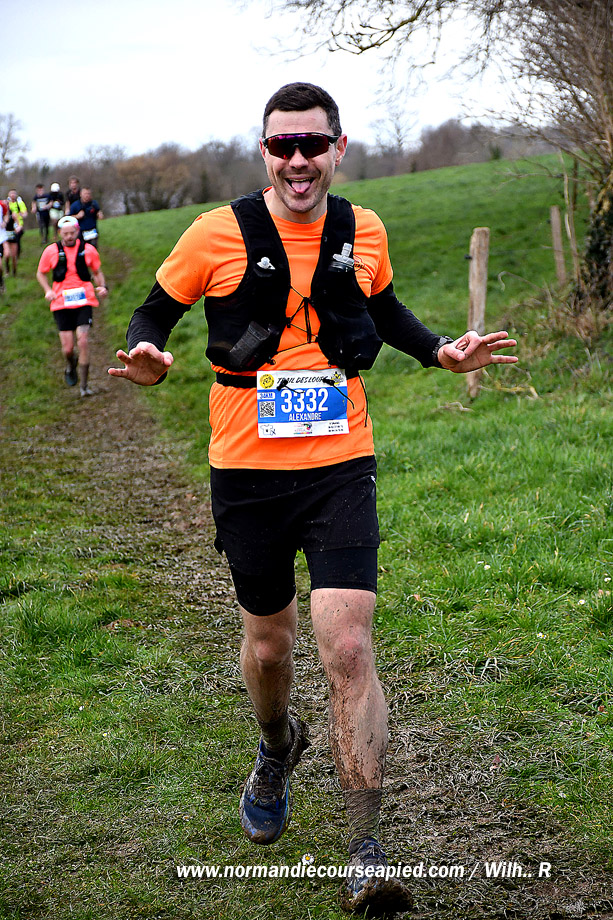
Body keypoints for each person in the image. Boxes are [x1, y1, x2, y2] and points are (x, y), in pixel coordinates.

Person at [109, 82, 517, 916]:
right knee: (270, 650)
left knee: (349, 645)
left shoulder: (363, 228)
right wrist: (147, 353)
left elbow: (383, 308)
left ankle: (365, 852)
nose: (297, 160)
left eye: (312, 144)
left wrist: (440, 350)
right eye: (281, 145)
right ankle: (275, 745)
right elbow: (153, 312)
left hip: (340, 461)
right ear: (263, 151)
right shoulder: (214, 232)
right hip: (246, 469)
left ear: (337, 147)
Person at [36, 214, 108, 396]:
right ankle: (70, 363)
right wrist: (48, 290)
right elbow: (40, 273)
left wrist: (102, 286)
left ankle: (84, 386)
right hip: (61, 303)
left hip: (84, 301)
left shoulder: (88, 250)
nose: (69, 236)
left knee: (83, 341)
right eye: (65, 233)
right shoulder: (51, 251)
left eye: (72, 233)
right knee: (68, 348)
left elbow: (97, 271)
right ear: (60, 233)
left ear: (77, 231)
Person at [4, 190, 27, 275]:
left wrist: (18, 227)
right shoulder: (1, 215)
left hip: (13, 234)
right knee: (7, 254)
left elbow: (18, 223)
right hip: (5, 235)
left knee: (14, 256)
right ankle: (7, 269)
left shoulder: (13, 214)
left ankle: (14, 271)